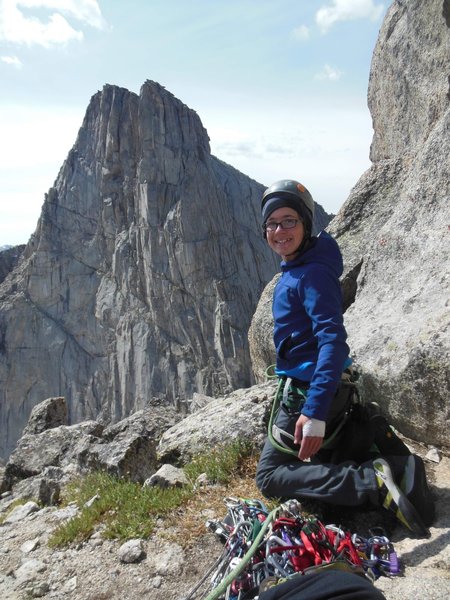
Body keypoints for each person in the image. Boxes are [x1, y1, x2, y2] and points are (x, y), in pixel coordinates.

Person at [255, 179, 435, 537]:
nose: (279, 230)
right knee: (315, 455)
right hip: (321, 386)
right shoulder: (306, 265)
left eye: (289, 220)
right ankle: (397, 467)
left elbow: (333, 341)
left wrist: (315, 412)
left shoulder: (312, 274)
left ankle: (370, 483)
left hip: (312, 391)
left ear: (306, 223)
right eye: (272, 224)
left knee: (270, 476)